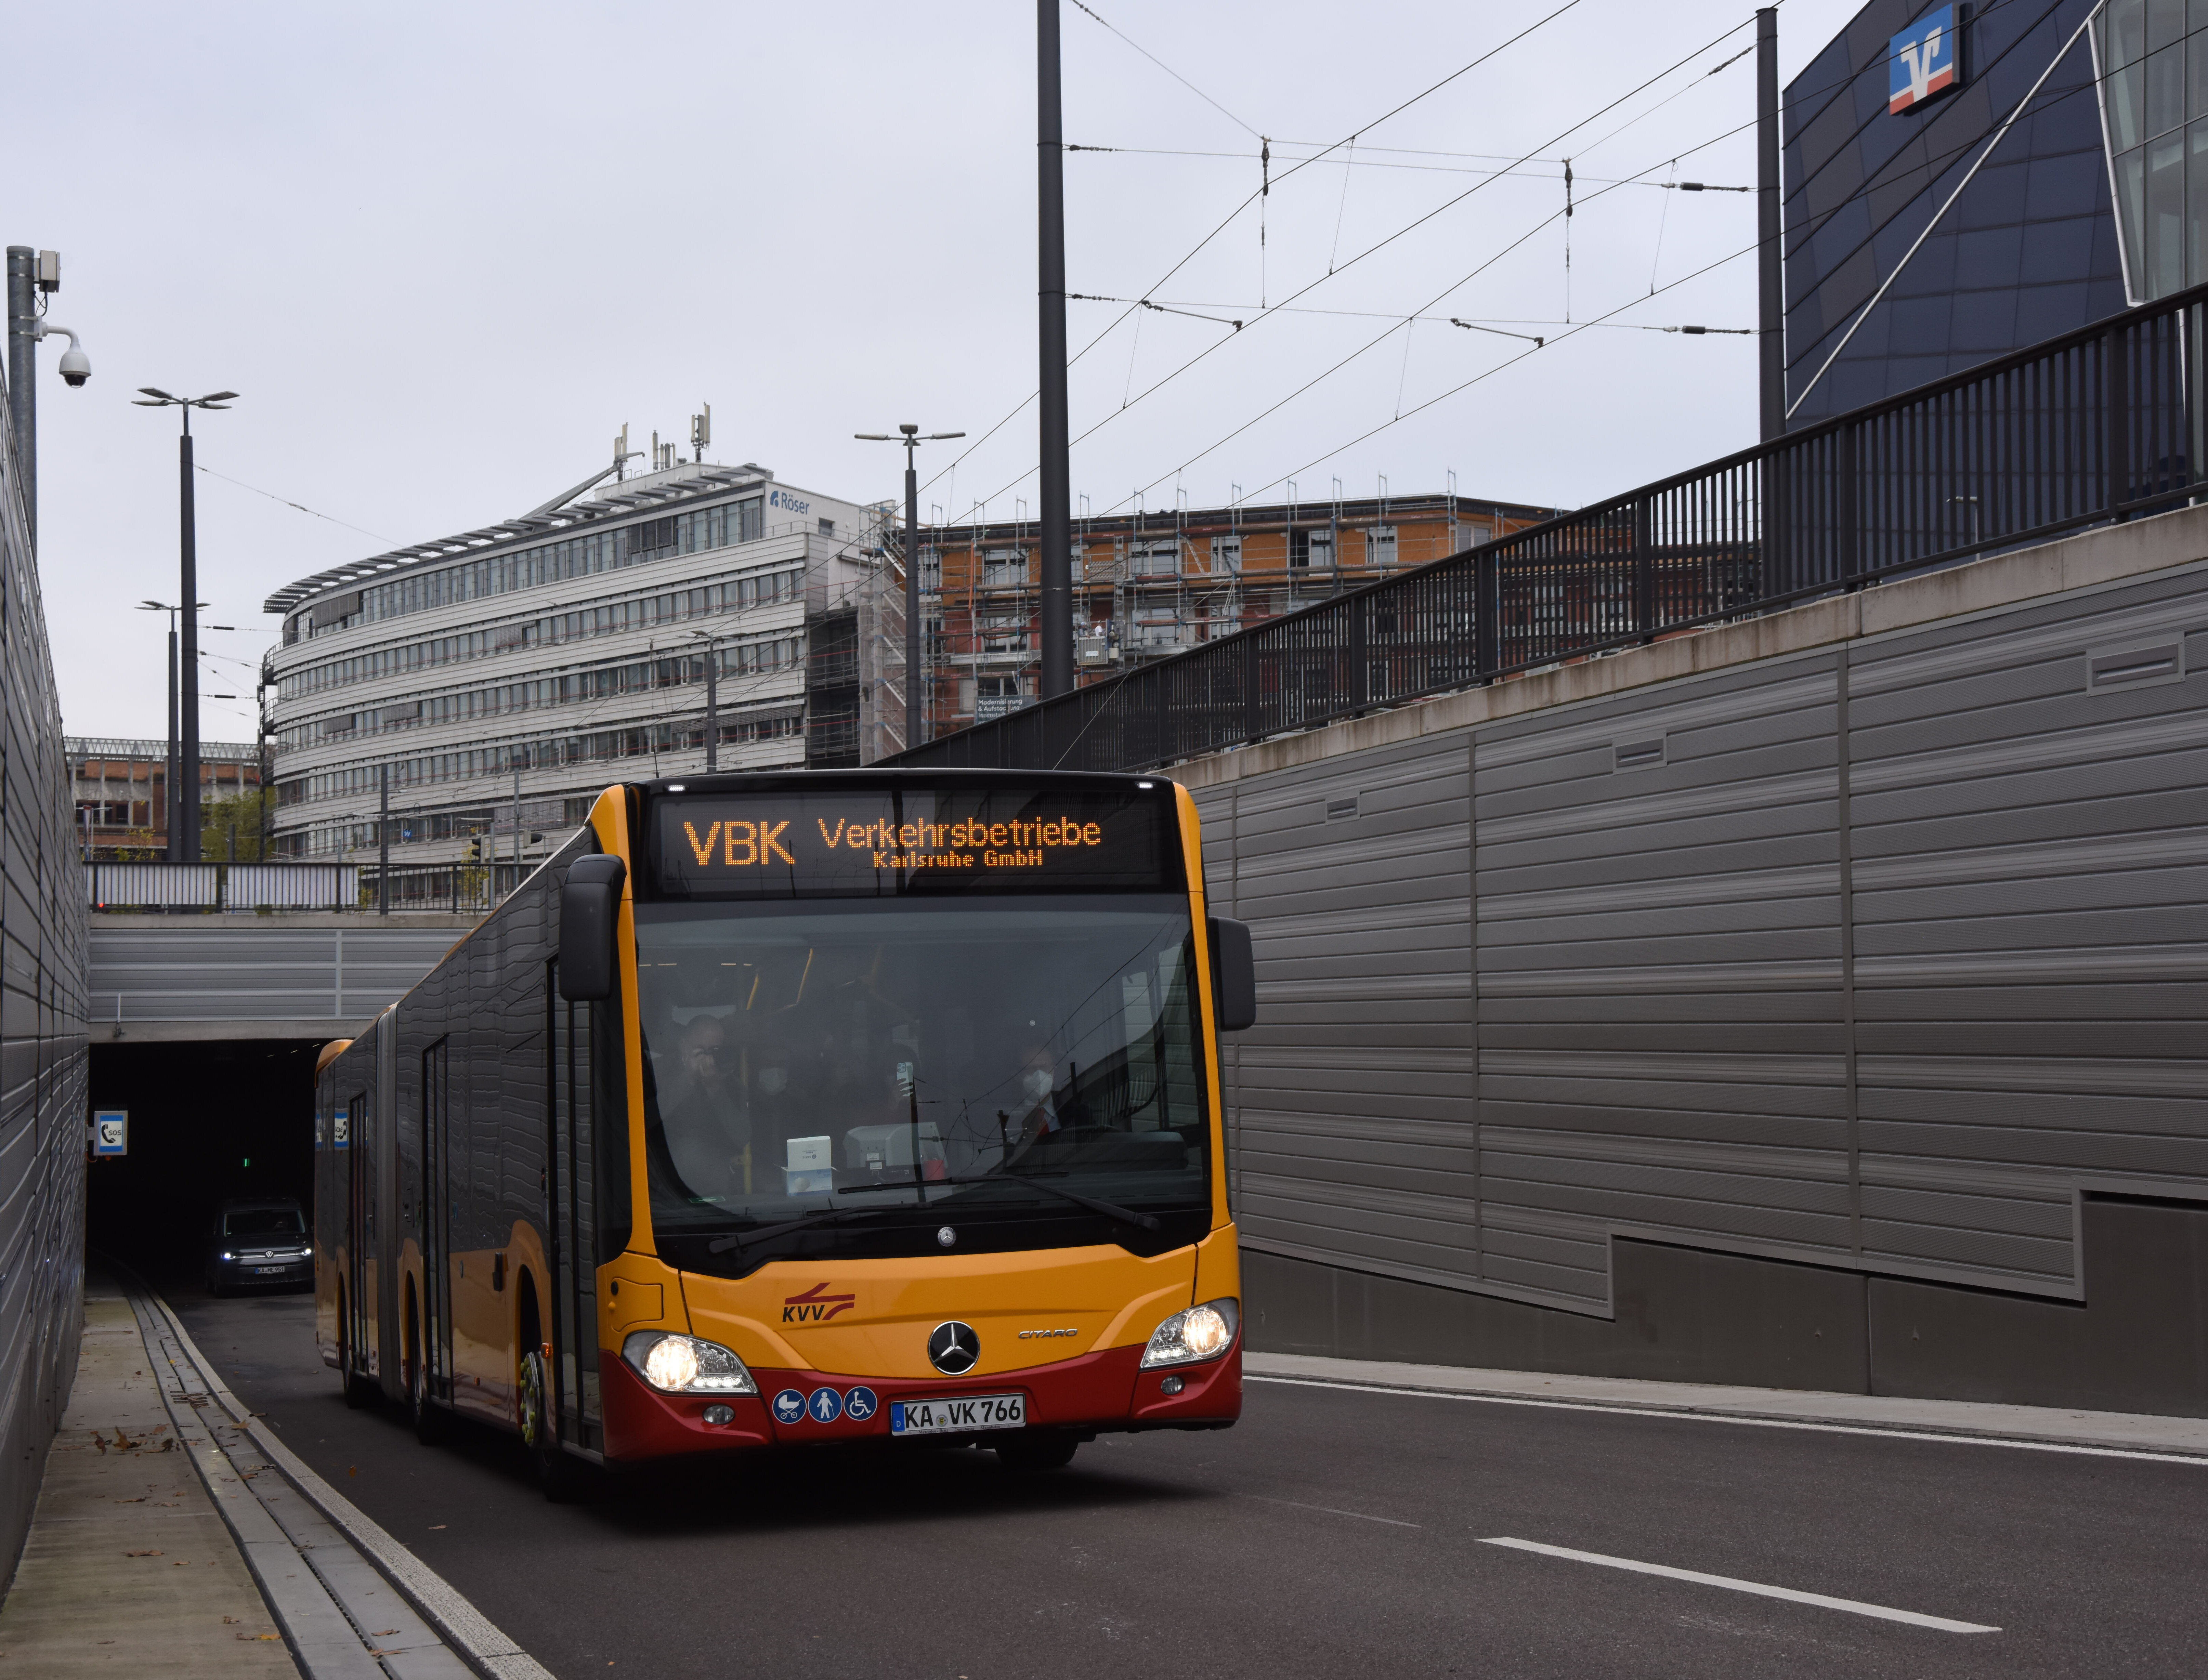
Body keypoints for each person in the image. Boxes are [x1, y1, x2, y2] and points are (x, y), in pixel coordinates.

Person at [655, 1014, 753, 1200]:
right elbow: (645, 1119)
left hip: (715, 1193)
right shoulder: (657, 1072)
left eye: (714, 1051)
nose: (708, 1059)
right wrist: (688, 1079)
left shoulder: (730, 1084)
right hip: (666, 1191)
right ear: (684, 1045)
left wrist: (715, 1089)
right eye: (700, 1051)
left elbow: (742, 1137)